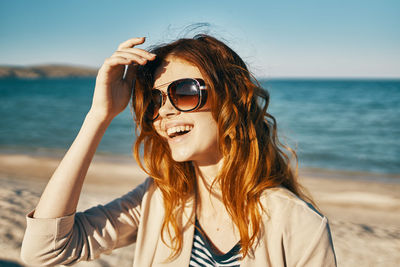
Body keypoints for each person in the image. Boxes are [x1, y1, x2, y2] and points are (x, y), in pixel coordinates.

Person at [21, 34, 336, 266]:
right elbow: (44, 250)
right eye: (156, 101)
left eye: (184, 92)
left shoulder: (298, 222)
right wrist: (99, 115)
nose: (166, 111)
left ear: (230, 98)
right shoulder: (160, 199)